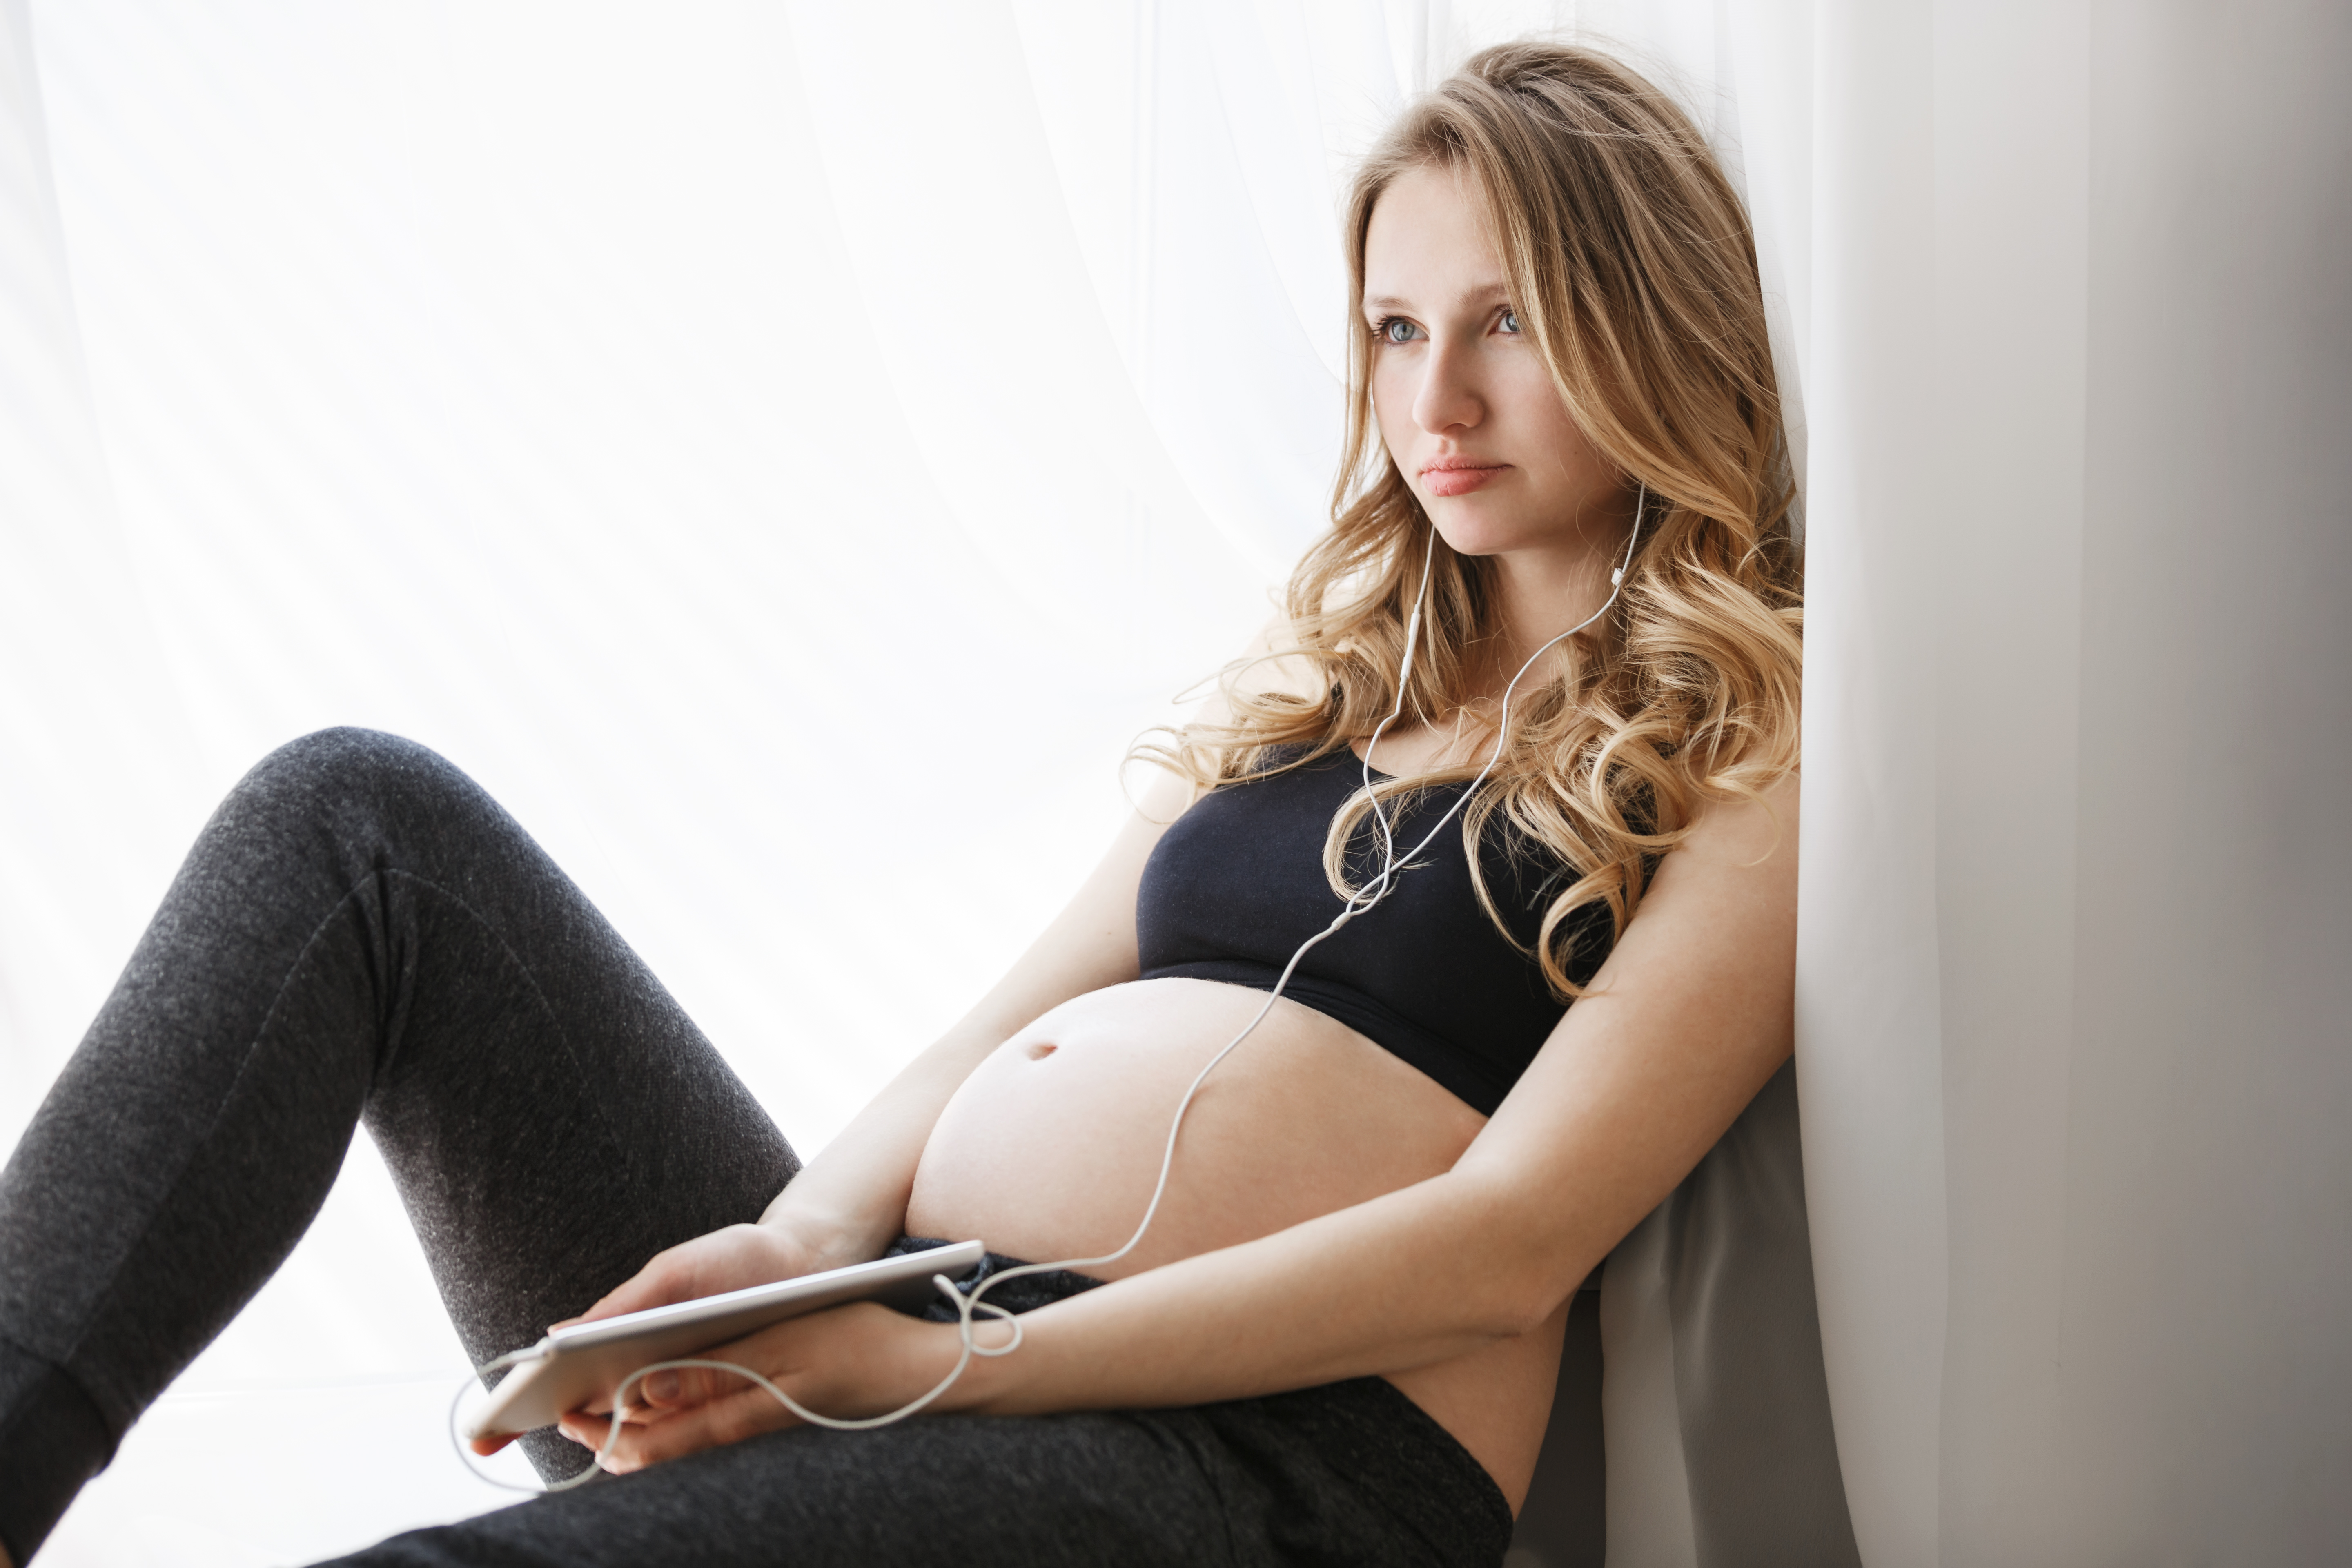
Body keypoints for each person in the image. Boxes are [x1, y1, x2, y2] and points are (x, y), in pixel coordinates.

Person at [0, 40, 1803, 1568]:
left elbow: (1510, 1247)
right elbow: (992, 1035)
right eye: (1397, 329)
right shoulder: (1325, 685)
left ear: (1641, 323)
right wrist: (793, 1259)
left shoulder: (1753, 745)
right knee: (361, 830)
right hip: (926, 1332)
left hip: (1268, 1462)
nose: (1436, 399)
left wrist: (931, 1370)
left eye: (1505, 323)